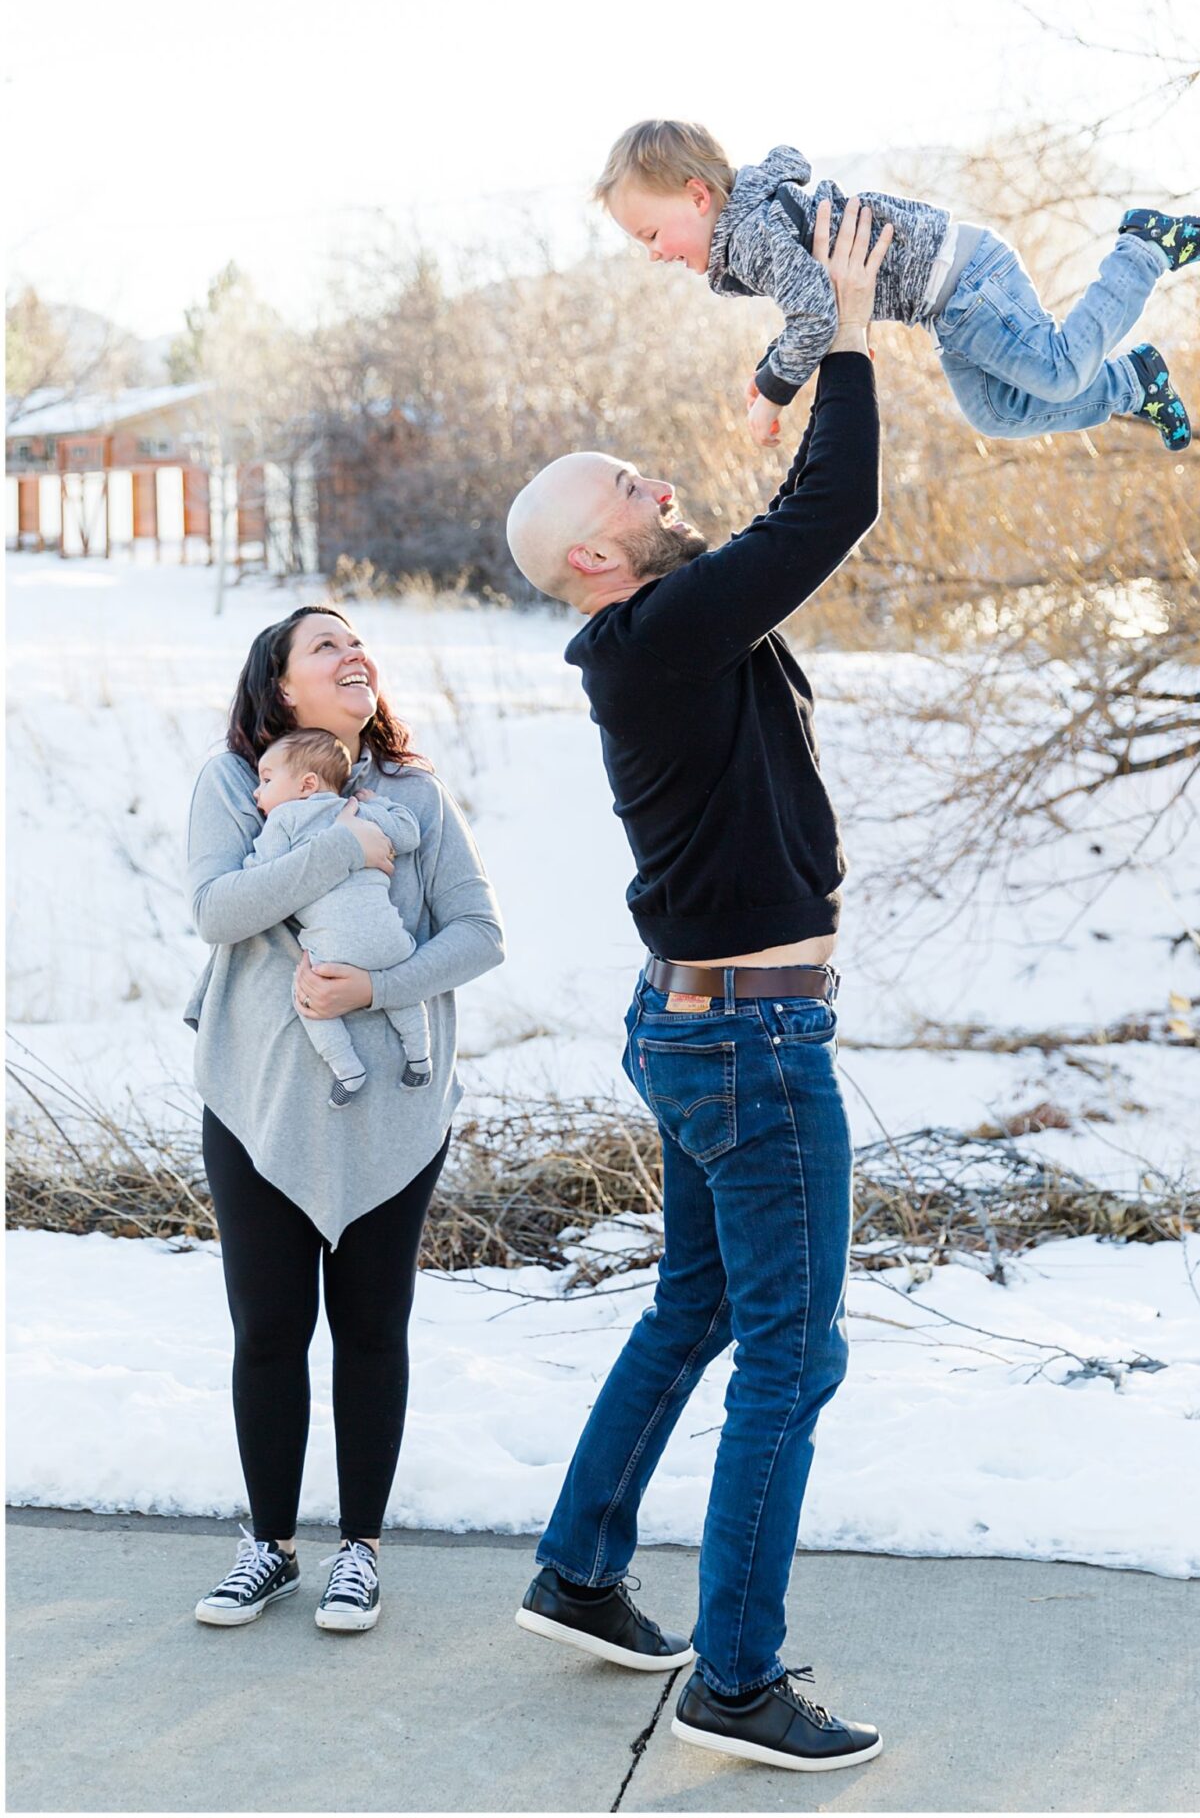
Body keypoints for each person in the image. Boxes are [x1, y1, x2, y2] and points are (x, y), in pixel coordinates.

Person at [503, 199, 886, 1772]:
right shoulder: (654, 636)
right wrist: (849, 323)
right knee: (791, 1352)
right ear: (596, 557)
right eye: (631, 488)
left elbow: (772, 535)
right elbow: (828, 517)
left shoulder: (656, 631)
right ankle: (738, 1681)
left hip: (696, 1024)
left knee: (701, 1306)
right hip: (752, 1038)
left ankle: (583, 1571)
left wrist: (794, 366)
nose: (660, 485)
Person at [185, 604, 504, 1632]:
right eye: (325, 645)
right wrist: (345, 843)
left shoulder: (418, 792)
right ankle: (268, 1544)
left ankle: (358, 1550)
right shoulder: (235, 784)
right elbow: (219, 910)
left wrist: (376, 991)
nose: (352, 653)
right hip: (259, 1093)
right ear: (282, 686)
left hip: (395, 1103)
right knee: (268, 1327)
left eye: (357, 640)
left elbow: (478, 934)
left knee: (373, 1328)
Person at [596, 118, 1200, 453]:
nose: (653, 255)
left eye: (651, 235)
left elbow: (816, 315)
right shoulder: (753, 230)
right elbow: (809, 304)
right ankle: (1137, 383)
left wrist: (773, 389)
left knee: (1060, 372)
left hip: (964, 283)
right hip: (948, 305)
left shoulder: (756, 233)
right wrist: (775, 361)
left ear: (698, 195)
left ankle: (1143, 249)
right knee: (995, 416)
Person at [248, 725, 434, 1107]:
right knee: (403, 998)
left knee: (309, 1002)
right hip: (389, 937)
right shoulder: (358, 810)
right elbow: (409, 834)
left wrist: (246, 862)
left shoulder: (283, 820)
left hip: (333, 948)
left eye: (266, 780)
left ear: (306, 784)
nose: (257, 792)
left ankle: (348, 1070)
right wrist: (379, 805)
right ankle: (419, 1058)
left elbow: (260, 876)